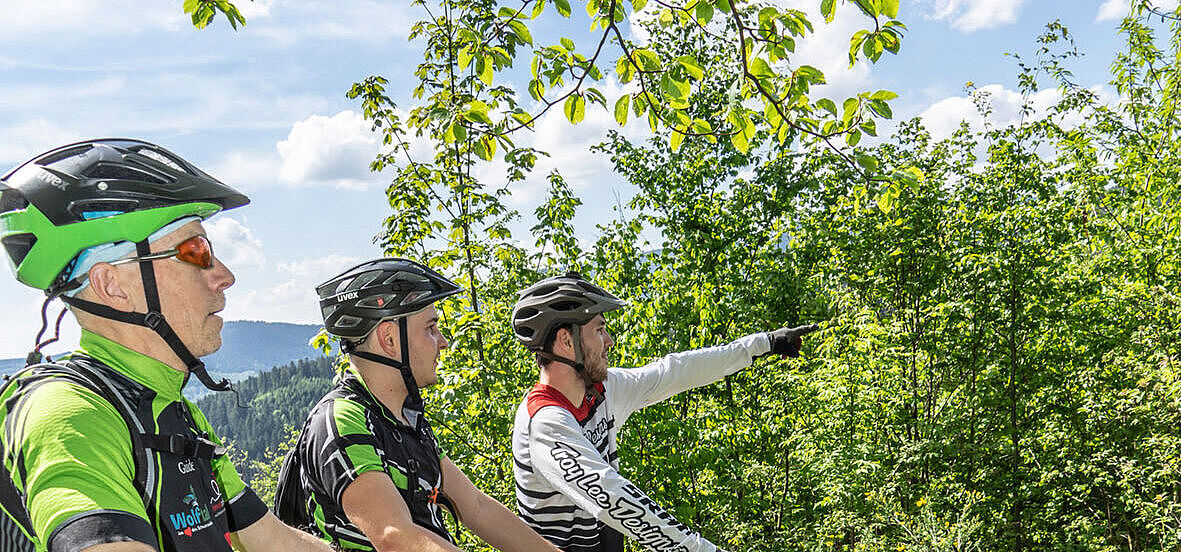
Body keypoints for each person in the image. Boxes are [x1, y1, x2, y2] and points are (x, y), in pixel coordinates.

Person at [0, 139, 333, 552]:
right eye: (196, 252)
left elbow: (273, 541)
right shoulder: (70, 414)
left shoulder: (175, 413)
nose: (225, 275)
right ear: (113, 285)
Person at [510, 272, 819, 552]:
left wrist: (761, 344)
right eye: (600, 330)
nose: (610, 341)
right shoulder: (545, 422)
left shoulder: (602, 390)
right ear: (566, 341)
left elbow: (675, 371)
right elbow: (613, 498)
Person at [273, 258, 561, 552]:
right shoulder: (343, 419)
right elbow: (394, 536)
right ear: (389, 339)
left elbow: (475, 507)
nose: (444, 342)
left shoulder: (404, 419)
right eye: (431, 328)